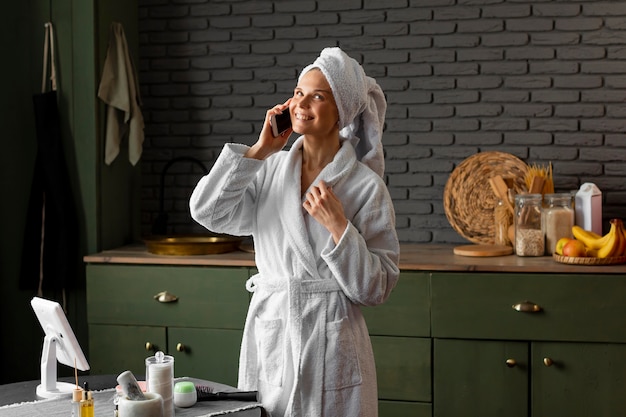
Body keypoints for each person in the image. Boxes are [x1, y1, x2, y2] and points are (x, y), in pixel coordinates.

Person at [189, 47, 400, 417]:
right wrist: (259, 150)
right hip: (274, 328)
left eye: (318, 96)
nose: (302, 103)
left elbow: (376, 287)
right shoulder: (268, 170)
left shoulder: (366, 188)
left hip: (332, 335)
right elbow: (207, 211)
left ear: (342, 111)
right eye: (299, 93)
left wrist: (338, 225)